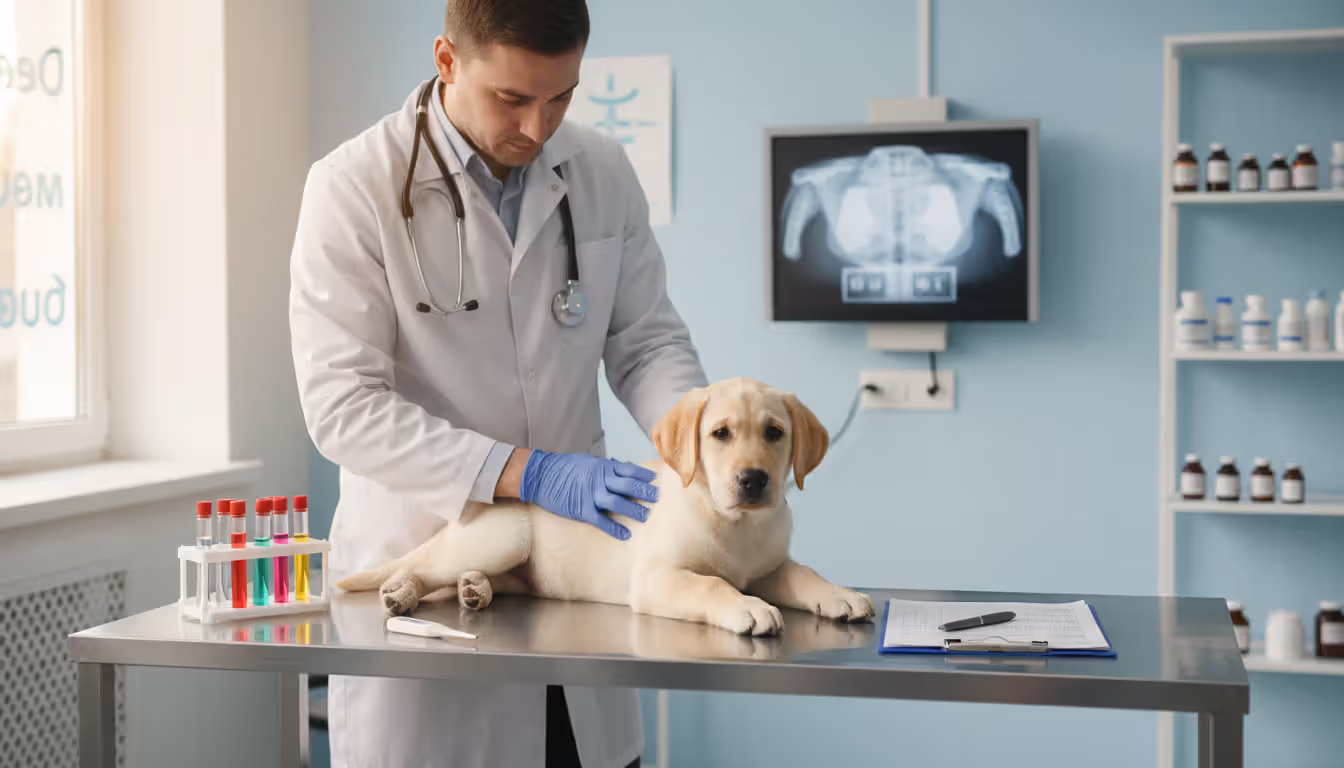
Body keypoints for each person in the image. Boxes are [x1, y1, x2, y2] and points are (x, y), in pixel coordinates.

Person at [288, 0, 707, 765]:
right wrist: (528, 475)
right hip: (431, 575)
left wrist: (702, 446)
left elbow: (646, 342)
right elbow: (342, 406)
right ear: (447, 60)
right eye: (513, 98)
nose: (539, 129)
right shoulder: (353, 186)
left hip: (579, 580)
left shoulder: (601, 170)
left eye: (562, 96)